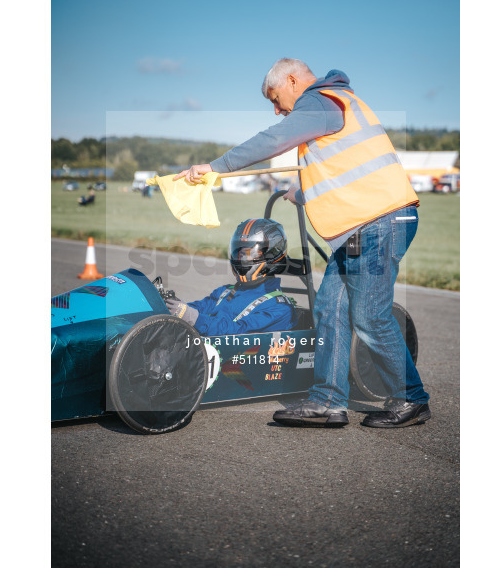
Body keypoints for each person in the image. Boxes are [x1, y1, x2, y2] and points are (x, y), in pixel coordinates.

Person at [175, 58, 429, 429]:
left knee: (370, 316)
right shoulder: (332, 108)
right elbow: (348, 173)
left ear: (293, 80)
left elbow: (274, 140)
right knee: (330, 308)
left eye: (276, 99)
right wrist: (303, 190)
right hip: (364, 226)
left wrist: (217, 167)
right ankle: (327, 401)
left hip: (380, 223)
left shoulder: (322, 101)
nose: (278, 111)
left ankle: (410, 398)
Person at [165, 218, 297, 337]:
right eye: (240, 253)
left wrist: (194, 317)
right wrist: (173, 305)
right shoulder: (225, 292)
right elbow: (198, 309)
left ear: (270, 255)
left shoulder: (280, 308)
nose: (242, 259)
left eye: (250, 254)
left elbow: (238, 332)